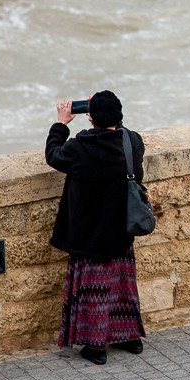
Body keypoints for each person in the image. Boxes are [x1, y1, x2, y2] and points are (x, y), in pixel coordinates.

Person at [46, 90, 146, 365]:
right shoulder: (132, 142)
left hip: (89, 234)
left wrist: (61, 124)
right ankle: (129, 337)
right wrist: (104, 113)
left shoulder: (80, 148)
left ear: (90, 118)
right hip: (120, 230)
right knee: (122, 288)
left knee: (94, 291)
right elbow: (124, 142)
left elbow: (53, 155)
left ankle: (95, 346)